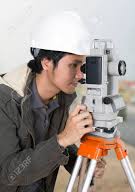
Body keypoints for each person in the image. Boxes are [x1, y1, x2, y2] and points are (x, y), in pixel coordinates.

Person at [0, 11, 106, 192]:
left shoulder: (61, 98)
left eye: (82, 66)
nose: (81, 75)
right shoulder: (5, 101)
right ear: (47, 62)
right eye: (73, 65)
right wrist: (63, 139)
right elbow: (9, 173)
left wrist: (80, 163)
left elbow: (48, 145)